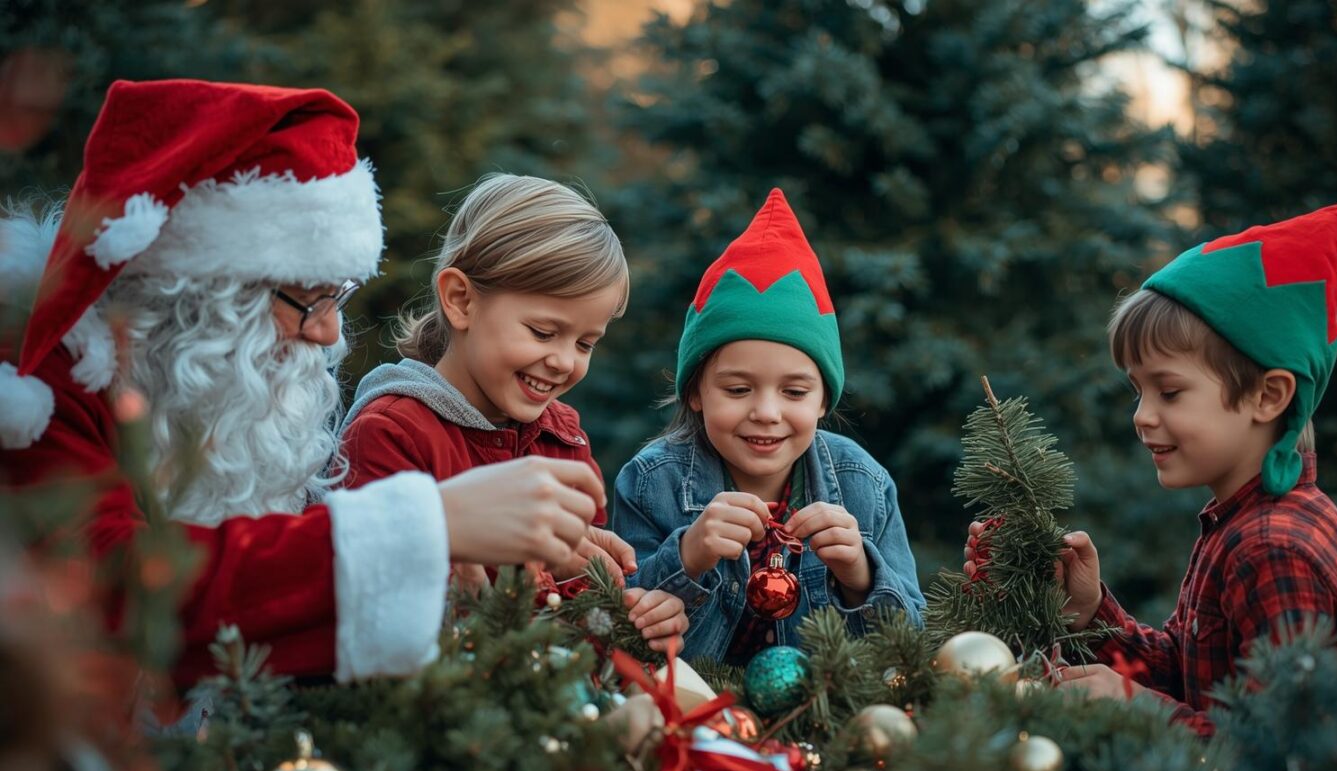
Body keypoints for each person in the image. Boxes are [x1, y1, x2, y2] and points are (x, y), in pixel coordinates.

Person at [0, 79, 604, 689]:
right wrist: (429, 524)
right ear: (199, 293)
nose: (329, 333)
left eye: (338, 297)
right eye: (310, 300)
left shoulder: (198, 390)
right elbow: (112, 591)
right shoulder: (32, 388)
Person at [970, 199, 1337, 735]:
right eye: (1138, 391)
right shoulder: (1238, 519)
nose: (1142, 416)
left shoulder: (1273, 548)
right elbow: (1191, 673)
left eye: (1169, 391)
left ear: (1269, 396)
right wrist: (1089, 611)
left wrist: (1135, 707)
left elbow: (1288, 758)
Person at [340, 174, 688, 651]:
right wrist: (541, 571)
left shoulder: (562, 439)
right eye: (544, 333)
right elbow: (379, 617)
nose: (565, 361)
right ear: (462, 301)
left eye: (585, 343)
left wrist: (629, 612)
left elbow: (585, 626)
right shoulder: (389, 434)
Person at [616, 188, 925, 665]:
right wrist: (690, 556)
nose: (766, 412)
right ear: (695, 393)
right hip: (696, 721)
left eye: (794, 392)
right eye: (738, 390)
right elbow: (619, 627)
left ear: (824, 399)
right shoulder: (651, 481)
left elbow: (910, 649)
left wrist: (859, 573)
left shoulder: (862, 484)